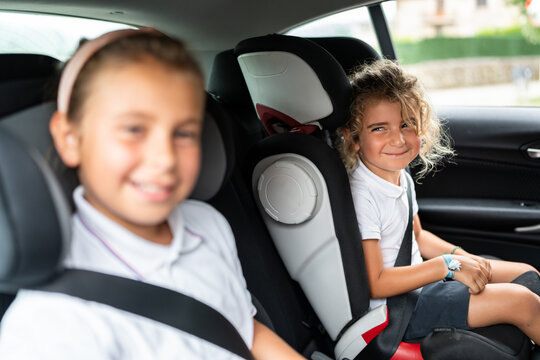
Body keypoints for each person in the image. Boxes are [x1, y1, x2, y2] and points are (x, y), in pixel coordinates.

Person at [0, 29, 304, 359]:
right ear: (70, 138)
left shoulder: (207, 223)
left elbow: (247, 332)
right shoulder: (52, 323)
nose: (164, 158)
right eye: (134, 129)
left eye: (184, 132)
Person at [337, 59, 540, 342]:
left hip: (423, 287)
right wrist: (447, 266)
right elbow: (376, 283)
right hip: (396, 312)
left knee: (527, 273)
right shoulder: (362, 195)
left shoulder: (397, 174)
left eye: (407, 124)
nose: (398, 139)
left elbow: (417, 236)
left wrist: (462, 257)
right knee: (522, 302)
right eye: (379, 128)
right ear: (353, 138)